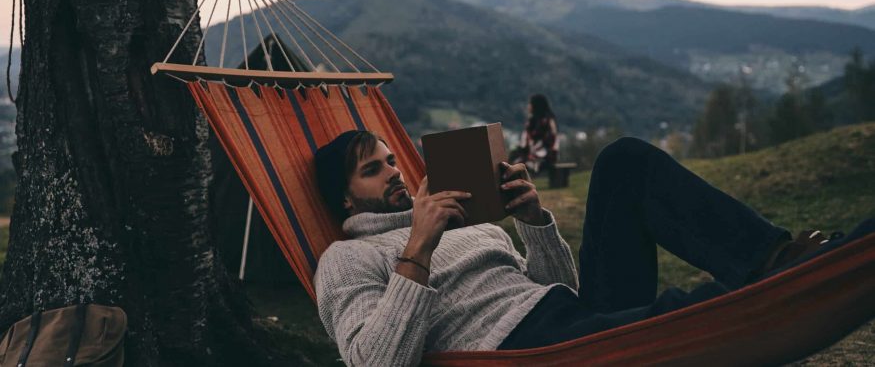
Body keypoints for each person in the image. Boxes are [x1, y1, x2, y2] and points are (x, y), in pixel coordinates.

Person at [312, 130, 864, 366]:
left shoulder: (462, 218)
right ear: (344, 199)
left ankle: (778, 262)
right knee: (682, 316)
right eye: (371, 170)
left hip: (573, 320)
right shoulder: (347, 260)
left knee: (623, 160)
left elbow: (557, 288)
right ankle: (774, 292)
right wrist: (419, 249)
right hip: (528, 351)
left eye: (390, 161)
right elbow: (374, 361)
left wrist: (533, 222)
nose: (392, 173)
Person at [511, 94, 558, 174]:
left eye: (530, 103)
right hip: (536, 153)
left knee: (517, 163)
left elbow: (549, 142)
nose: (528, 106)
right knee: (513, 158)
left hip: (544, 155)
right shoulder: (535, 120)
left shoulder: (546, 121)